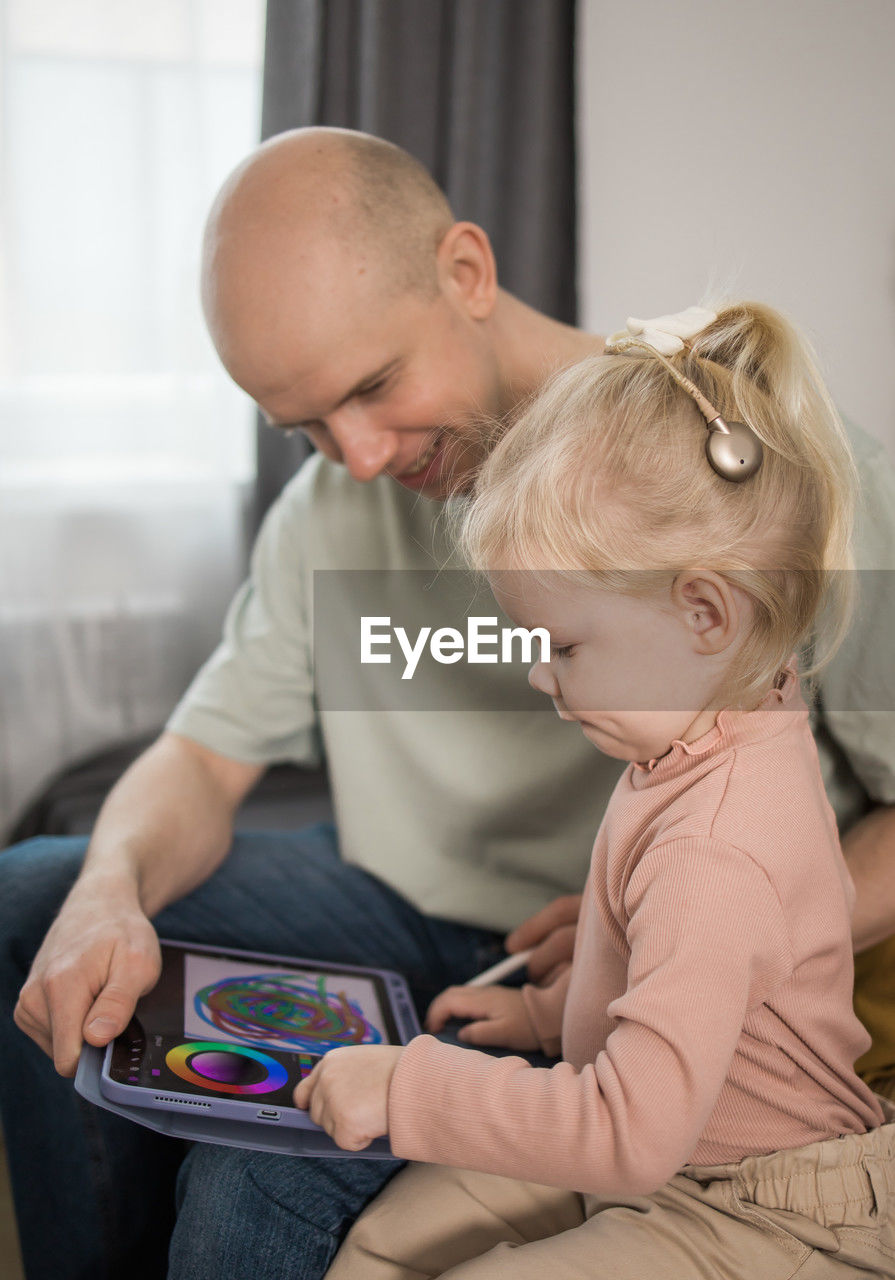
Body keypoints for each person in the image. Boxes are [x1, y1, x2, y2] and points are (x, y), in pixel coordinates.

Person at [0, 129, 892, 1280]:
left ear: (466, 272)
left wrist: (678, 928)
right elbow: (202, 754)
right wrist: (110, 893)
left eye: (372, 386)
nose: (356, 456)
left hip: (639, 957)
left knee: (252, 1172)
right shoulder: (329, 507)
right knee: (41, 891)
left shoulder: (771, 478)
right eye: (306, 427)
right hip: (406, 915)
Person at [314, 302, 895, 1279]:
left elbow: (629, 1126)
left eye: (563, 645)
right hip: (660, 1139)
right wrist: (548, 1017)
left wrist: (409, 1084)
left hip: (764, 1208)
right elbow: (689, 981)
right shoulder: (721, 716)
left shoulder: (716, 844)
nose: (540, 675)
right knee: (377, 1243)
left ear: (704, 611)